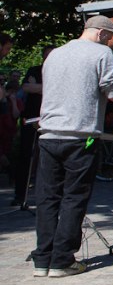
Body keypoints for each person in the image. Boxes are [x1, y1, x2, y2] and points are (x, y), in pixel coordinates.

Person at [31, 17, 113, 278]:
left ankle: (42, 258)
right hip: (81, 135)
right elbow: (111, 92)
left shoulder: (55, 54)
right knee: (74, 197)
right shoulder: (101, 53)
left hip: (48, 134)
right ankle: (62, 260)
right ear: (102, 33)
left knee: (47, 198)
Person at [14, 45, 53, 207]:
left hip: (49, 120)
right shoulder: (34, 70)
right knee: (25, 156)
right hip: (30, 119)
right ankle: (20, 195)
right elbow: (26, 87)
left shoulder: (59, 72)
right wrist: (46, 89)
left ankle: (44, 195)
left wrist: (38, 88)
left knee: (46, 158)